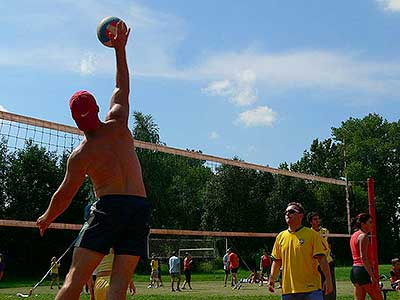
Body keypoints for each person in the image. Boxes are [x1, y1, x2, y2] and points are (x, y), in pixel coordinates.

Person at [36, 20, 150, 300]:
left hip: (111, 208)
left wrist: (47, 218)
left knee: (74, 281)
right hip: (139, 207)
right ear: (99, 108)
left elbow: (64, 196)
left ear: (74, 121)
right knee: (118, 286)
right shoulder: (119, 123)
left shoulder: (81, 155)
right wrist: (119, 49)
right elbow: (122, 84)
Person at [268, 202, 333, 299]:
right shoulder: (280, 237)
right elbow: (277, 261)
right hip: (288, 290)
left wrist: (328, 280)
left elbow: (322, 259)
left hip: (311, 289)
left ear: (301, 215)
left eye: (291, 211)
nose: (287, 214)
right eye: (286, 212)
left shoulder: (312, 235)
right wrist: (272, 278)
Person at [349, 213, 383, 300]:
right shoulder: (363, 236)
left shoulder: (353, 235)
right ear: (363, 224)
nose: (372, 224)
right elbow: (363, 257)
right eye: (370, 222)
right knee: (378, 298)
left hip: (355, 270)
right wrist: (372, 276)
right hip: (363, 270)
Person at [308, 212, 336, 300]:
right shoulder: (308, 233)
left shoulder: (325, 231)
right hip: (315, 265)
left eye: (318, 219)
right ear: (310, 222)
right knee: (317, 288)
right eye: (315, 219)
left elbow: (330, 244)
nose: (317, 221)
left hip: (327, 262)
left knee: (330, 289)